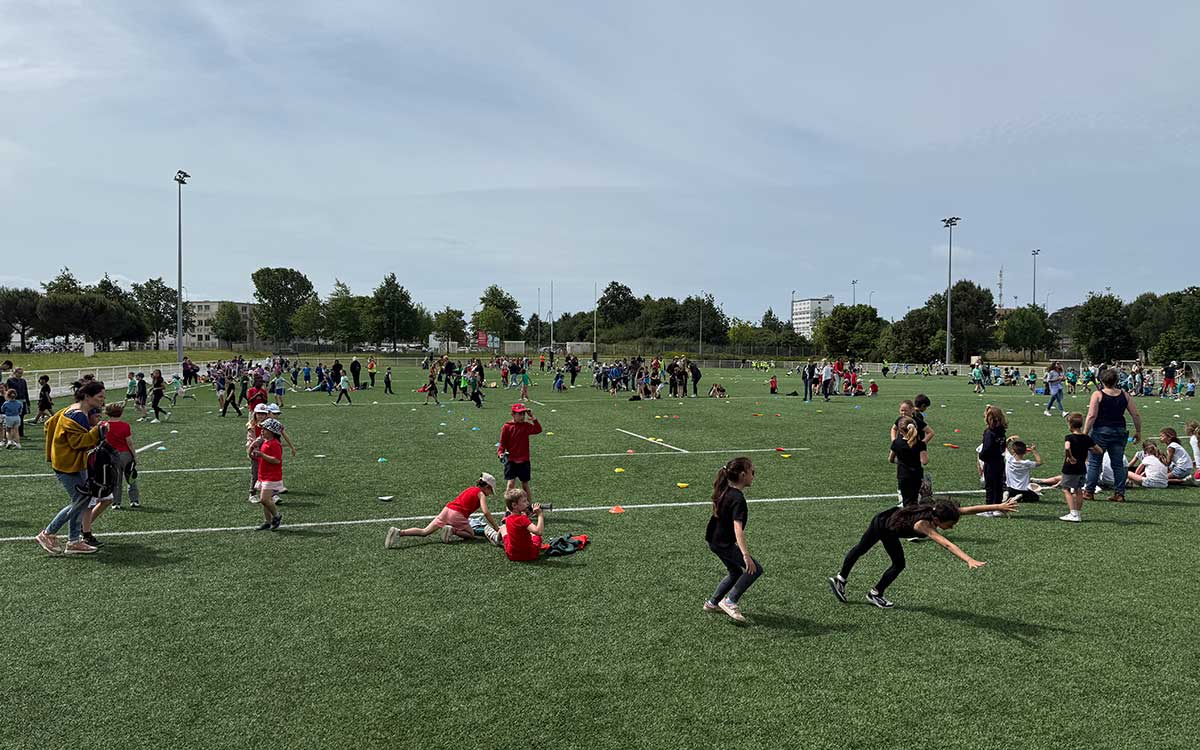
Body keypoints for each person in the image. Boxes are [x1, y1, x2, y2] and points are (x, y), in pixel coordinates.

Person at [829, 499, 1018, 608]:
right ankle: (865, 589)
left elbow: (971, 509)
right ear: (938, 520)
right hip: (883, 526)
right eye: (950, 525)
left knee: (877, 555)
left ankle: (853, 584)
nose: (951, 527)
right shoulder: (924, 525)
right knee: (889, 560)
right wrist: (969, 559)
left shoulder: (944, 511)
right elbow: (947, 544)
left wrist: (999, 506)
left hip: (888, 521)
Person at [35, 380, 107, 556]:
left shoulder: (73, 409)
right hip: (68, 465)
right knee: (80, 501)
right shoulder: (78, 415)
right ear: (87, 396)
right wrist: (98, 430)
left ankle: (73, 541)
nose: (102, 400)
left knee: (82, 500)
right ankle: (48, 533)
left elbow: (49, 424)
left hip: (69, 462)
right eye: (100, 397)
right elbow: (78, 443)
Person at [702, 457, 761, 623]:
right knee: (755, 569)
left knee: (735, 572)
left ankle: (712, 603)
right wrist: (746, 555)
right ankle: (730, 601)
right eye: (752, 472)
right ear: (743, 475)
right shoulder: (738, 499)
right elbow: (738, 530)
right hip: (723, 543)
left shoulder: (725, 490)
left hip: (713, 540)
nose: (753, 476)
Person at [385, 473, 501, 547]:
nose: (490, 494)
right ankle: (452, 530)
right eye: (490, 491)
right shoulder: (481, 494)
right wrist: (496, 527)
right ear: (487, 487)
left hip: (447, 509)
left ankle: (399, 532)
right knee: (470, 534)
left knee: (424, 532)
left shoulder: (470, 489)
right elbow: (485, 512)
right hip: (457, 514)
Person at [1082, 368, 1142, 503]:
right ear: (1116, 381)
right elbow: (1135, 414)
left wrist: (1085, 433)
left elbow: (1092, 416)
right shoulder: (1125, 395)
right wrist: (1138, 431)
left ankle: (1089, 492)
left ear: (1102, 380)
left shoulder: (1097, 395)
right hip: (1119, 432)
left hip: (1100, 432)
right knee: (1118, 464)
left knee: (1094, 463)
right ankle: (1119, 494)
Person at [1057, 412, 1103, 522]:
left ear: (1070, 425)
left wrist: (1070, 457)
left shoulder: (1069, 437)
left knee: (1066, 489)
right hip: (1082, 467)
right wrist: (1089, 449)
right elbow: (1099, 450)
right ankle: (1078, 513)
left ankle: (1072, 513)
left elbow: (1067, 448)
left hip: (1070, 467)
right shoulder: (1087, 438)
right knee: (1078, 490)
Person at [498, 403, 542, 504]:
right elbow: (502, 443)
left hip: (524, 460)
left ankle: (529, 507)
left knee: (525, 484)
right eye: (519, 414)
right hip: (511, 460)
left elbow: (538, 430)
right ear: (513, 414)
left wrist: (533, 417)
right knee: (510, 484)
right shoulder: (507, 427)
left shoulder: (526, 426)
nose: (522, 416)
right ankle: (509, 509)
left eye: (523, 414)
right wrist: (500, 453)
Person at [102, 403, 140, 511]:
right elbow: (129, 443)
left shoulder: (105, 425)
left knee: (115, 480)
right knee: (131, 478)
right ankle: (134, 500)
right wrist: (135, 456)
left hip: (111, 455)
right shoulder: (125, 425)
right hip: (125, 454)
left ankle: (116, 502)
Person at [250, 418, 284, 530]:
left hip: (271, 476)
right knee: (265, 501)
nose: (262, 431)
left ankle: (276, 515)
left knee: (264, 499)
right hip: (263, 475)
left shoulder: (275, 444)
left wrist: (262, 455)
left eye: (265, 429)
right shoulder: (265, 442)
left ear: (272, 431)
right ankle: (268, 521)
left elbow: (276, 460)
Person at [890, 417, 928, 507]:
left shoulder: (896, 443)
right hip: (916, 475)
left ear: (900, 430)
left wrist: (901, 461)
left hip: (903, 475)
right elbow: (924, 461)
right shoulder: (920, 444)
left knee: (904, 501)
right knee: (915, 501)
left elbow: (891, 459)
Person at [499, 488, 544, 562]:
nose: (527, 503)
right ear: (514, 505)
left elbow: (519, 524)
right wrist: (540, 515)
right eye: (524, 501)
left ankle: (496, 539)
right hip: (529, 554)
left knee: (503, 528)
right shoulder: (523, 519)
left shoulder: (508, 518)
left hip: (512, 555)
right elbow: (539, 532)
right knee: (536, 537)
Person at [979, 405, 1008, 515]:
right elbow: (1003, 446)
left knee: (990, 486)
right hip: (999, 461)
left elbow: (986, 448)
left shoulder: (989, 432)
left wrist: (982, 456)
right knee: (998, 485)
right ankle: (998, 507)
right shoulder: (1002, 431)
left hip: (991, 462)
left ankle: (988, 509)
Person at [1003, 437, 1042, 503]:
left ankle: (1008, 494)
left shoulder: (1009, 459)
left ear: (1013, 451)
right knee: (1035, 497)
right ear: (1025, 452)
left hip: (1010, 488)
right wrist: (1034, 451)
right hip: (1022, 489)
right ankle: (1020, 497)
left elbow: (1004, 447)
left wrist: (1008, 440)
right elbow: (1039, 462)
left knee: (1009, 491)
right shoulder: (1026, 463)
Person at [4, 367, 30, 440]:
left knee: (21, 418)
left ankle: (21, 434)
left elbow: (26, 391)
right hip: (14, 401)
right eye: (19, 373)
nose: (20, 375)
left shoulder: (23, 381)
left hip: (22, 400)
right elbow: (8, 391)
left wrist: (27, 402)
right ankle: (11, 435)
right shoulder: (10, 380)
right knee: (13, 418)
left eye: (21, 373)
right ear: (15, 373)